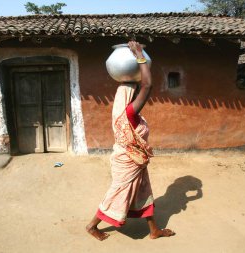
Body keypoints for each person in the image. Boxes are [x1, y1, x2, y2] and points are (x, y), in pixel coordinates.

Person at [86, 41, 175, 241]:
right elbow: (148, 85)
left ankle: (154, 230)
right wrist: (139, 55)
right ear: (128, 97)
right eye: (135, 93)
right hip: (128, 161)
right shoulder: (129, 113)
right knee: (118, 194)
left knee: (144, 192)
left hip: (135, 160)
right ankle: (92, 226)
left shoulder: (123, 112)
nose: (138, 96)